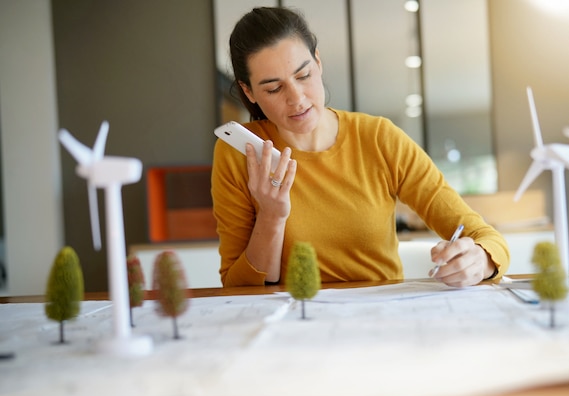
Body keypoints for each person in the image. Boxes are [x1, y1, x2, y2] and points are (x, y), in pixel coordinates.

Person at [211, 6, 510, 288]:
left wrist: (481, 260)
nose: (297, 98)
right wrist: (271, 216)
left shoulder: (379, 138)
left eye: (304, 75)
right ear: (248, 91)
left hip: (381, 320)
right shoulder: (240, 155)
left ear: (318, 62)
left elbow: (485, 237)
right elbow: (237, 285)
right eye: (274, 88)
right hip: (296, 325)